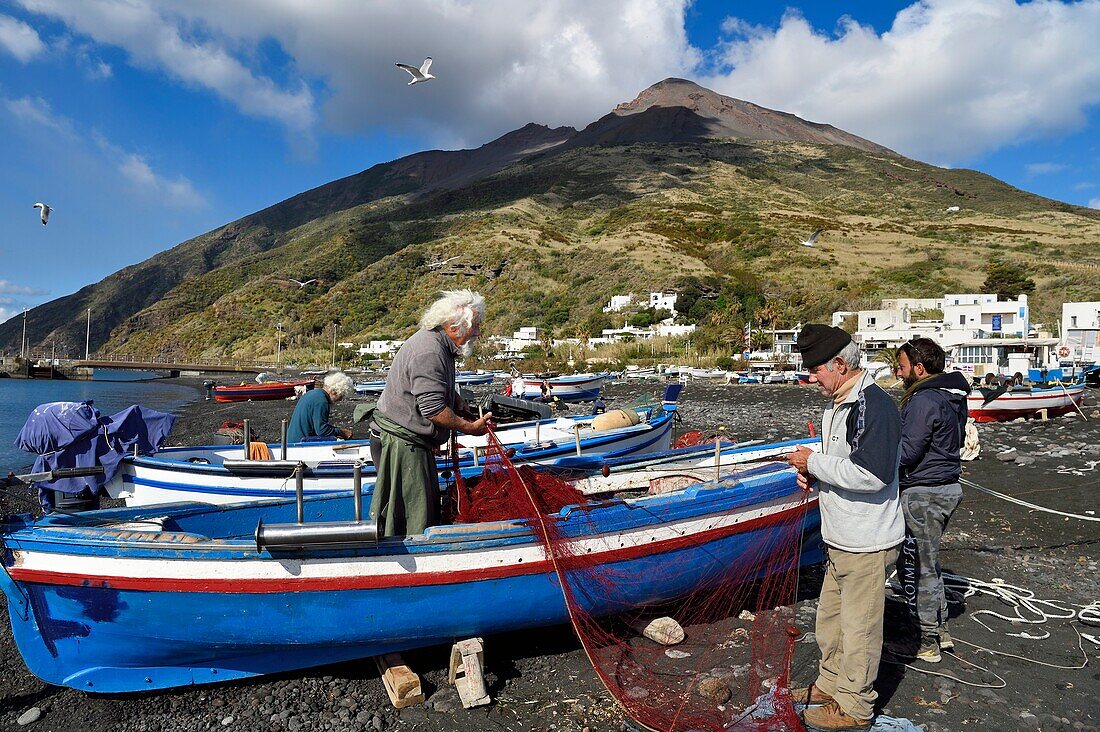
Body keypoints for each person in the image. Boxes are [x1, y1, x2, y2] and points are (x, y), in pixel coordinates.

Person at [784, 324, 904, 732]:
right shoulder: (838, 402)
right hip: (839, 536)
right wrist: (816, 474)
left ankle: (854, 707)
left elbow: (873, 473)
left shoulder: (874, 406)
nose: (810, 377)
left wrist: (813, 464)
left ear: (840, 363)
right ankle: (830, 686)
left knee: (860, 627)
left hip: (866, 540)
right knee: (831, 620)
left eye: (815, 369)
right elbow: (845, 463)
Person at [369, 290, 493, 537]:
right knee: (413, 518)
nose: (478, 333)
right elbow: (433, 409)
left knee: (420, 509)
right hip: (401, 445)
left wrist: (456, 401)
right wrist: (470, 428)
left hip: (411, 440)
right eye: (475, 327)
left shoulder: (440, 345)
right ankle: (409, 565)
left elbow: (430, 390)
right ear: (454, 326)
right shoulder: (430, 351)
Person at [893, 338, 970, 663]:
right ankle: (939, 631)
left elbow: (908, 452)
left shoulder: (924, 400)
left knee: (918, 566)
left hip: (924, 493)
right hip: (946, 488)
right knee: (930, 562)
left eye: (902, 366)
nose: (898, 372)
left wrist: (872, 459)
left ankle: (925, 642)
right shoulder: (952, 396)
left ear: (919, 368)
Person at [286, 371, 354, 442]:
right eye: (341, 396)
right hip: (301, 444)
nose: (340, 399)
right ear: (334, 392)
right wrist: (341, 432)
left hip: (292, 440)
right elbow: (322, 430)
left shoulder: (312, 393)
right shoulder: (321, 401)